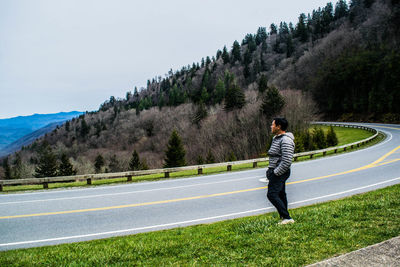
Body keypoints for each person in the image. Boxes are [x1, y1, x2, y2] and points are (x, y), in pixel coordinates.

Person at [266, 117, 295, 224]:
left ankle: (287, 218)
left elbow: (287, 160)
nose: (271, 126)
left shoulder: (286, 140)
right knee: (281, 194)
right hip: (275, 171)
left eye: (273, 124)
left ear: (279, 127)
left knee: (272, 194)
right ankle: (284, 217)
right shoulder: (277, 138)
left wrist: (275, 172)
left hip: (280, 172)